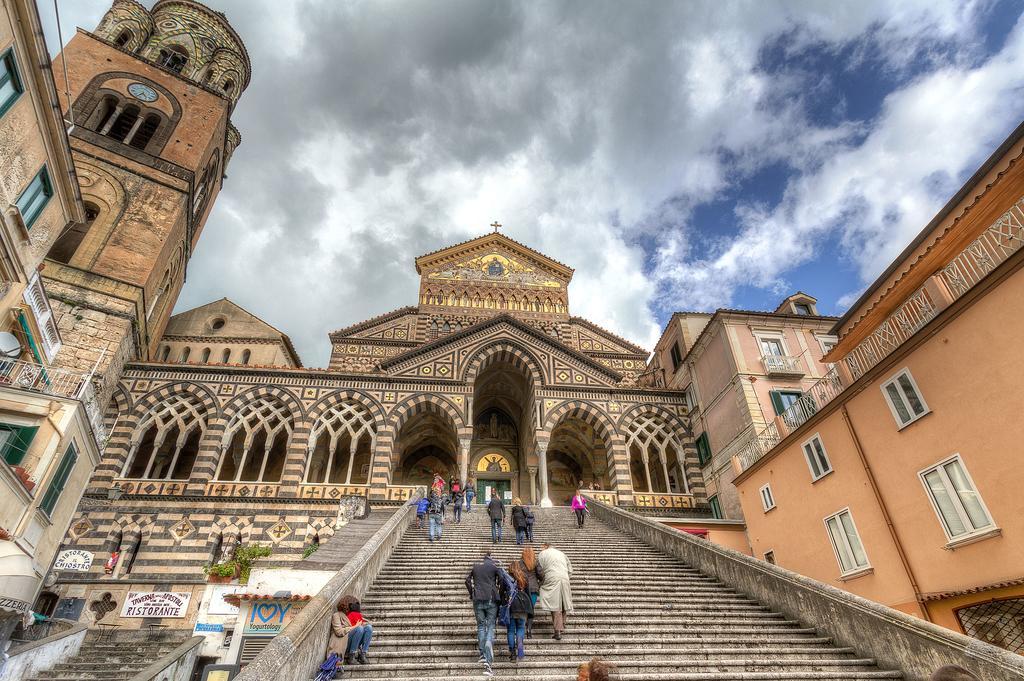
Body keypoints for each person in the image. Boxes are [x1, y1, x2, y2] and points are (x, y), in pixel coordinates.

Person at [466, 551, 502, 677]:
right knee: (491, 625)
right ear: (490, 558)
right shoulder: (493, 567)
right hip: (491, 599)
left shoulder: (475, 566)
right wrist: (498, 591)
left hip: (477, 599)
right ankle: (488, 643)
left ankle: (482, 653)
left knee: (481, 626)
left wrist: (472, 592)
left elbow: (467, 580)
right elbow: (502, 579)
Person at [536, 542, 573, 640]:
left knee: (554, 604)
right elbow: (570, 570)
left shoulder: (542, 554)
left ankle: (557, 630)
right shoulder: (561, 553)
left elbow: (539, 571)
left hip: (551, 578)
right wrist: (566, 577)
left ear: (545, 547)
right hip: (564, 578)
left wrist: (540, 582)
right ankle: (562, 625)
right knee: (564, 602)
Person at [506, 561, 534, 662]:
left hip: (511, 606)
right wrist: (531, 607)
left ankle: (513, 653)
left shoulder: (507, 577)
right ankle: (520, 647)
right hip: (523, 605)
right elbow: (528, 593)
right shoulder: (524, 576)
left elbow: (502, 593)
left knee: (510, 630)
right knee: (521, 628)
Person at [513, 547, 541, 638]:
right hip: (533, 589)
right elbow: (541, 575)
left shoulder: (520, 563)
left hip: (523, 588)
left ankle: (521, 627)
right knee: (531, 609)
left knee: (524, 608)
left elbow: (515, 574)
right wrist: (539, 584)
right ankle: (529, 631)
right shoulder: (535, 562)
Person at [344, 599, 373, 664]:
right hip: (347, 642)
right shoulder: (347, 615)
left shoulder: (355, 615)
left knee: (369, 627)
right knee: (360, 628)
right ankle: (351, 655)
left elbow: (362, 623)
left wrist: (366, 622)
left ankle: (363, 653)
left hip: (356, 640)